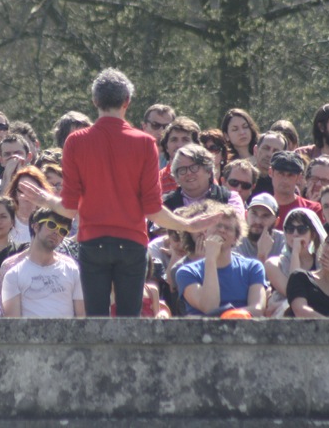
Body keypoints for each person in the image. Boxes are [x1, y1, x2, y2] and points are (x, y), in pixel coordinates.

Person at [18, 69, 221, 317]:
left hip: (92, 243)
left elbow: (69, 208)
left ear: (95, 102)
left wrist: (45, 199)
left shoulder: (75, 141)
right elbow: (153, 209)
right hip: (132, 243)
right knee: (129, 323)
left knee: (96, 320)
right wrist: (186, 224)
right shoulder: (145, 143)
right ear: (127, 102)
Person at [175, 201, 267, 316]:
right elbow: (209, 306)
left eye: (228, 228)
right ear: (205, 231)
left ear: (235, 238)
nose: (222, 230)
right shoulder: (187, 272)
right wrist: (211, 259)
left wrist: (230, 316)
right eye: (218, 226)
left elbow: (257, 309)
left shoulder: (252, 268)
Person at [1, 208, 84, 318]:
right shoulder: (13, 275)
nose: (56, 232)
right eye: (51, 225)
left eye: (62, 231)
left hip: (67, 334)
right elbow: (13, 324)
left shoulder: (72, 270)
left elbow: (82, 317)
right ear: (36, 226)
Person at [264, 208, 327, 317]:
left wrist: (281, 303)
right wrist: (295, 253)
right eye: (290, 229)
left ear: (313, 234)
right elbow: (294, 293)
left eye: (301, 229)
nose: (295, 234)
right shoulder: (273, 264)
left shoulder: (324, 264)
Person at [162, 143, 245, 219]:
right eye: (182, 170)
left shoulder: (228, 198)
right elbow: (157, 231)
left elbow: (236, 227)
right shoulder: (166, 204)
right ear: (177, 177)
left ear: (208, 171)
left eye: (194, 167)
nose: (189, 173)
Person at [269, 151, 323, 229]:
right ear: (271, 172)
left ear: (299, 177)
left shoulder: (313, 210)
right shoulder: (261, 210)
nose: (285, 180)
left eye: (290, 175)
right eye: (281, 173)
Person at [4, 166, 53, 245]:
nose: (26, 196)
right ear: (15, 193)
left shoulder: (48, 222)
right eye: (22, 190)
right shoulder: (5, 218)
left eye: (32, 191)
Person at [234, 193, 285, 263]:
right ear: (246, 215)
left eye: (265, 216)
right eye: (254, 214)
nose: (258, 221)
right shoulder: (235, 242)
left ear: (276, 221)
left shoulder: (283, 243)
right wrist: (261, 256)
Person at [157, 117, 201, 193]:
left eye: (185, 140)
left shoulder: (204, 176)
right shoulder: (157, 180)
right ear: (166, 147)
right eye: (174, 140)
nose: (179, 145)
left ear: (196, 145)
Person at [249, 131, 288, 197]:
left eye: (275, 151)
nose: (269, 154)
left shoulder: (284, 185)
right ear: (256, 150)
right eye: (266, 148)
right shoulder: (244, 179)